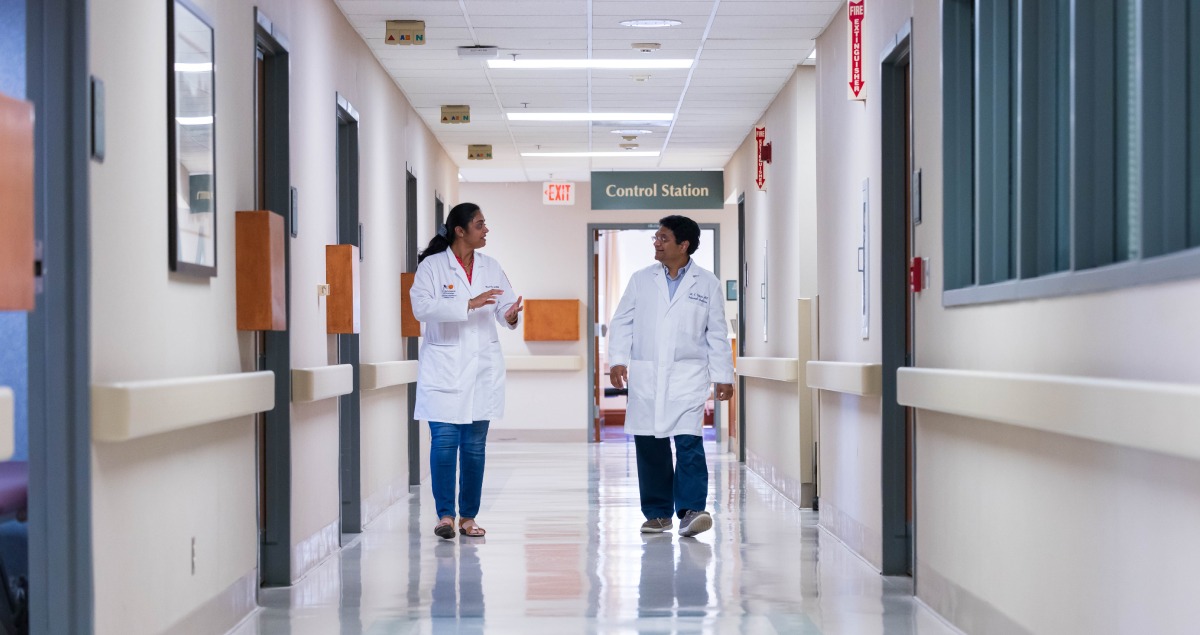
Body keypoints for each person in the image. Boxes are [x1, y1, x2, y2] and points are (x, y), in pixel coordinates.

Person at [608, 215, 734, 537]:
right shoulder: (640, 279)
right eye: (655, 237)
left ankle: (692, 511)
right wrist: (618, 360)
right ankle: (658, 513)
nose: (656, 242)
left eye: (663, 238)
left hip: (687, 377)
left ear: (684, 244)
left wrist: (724, 375)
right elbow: (622, 321)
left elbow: (716, 333)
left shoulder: (707, 283)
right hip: (648, 375)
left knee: (689, 442)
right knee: (650, 444)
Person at [410, 202, 523, 540]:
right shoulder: (432, 266)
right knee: (444, 442)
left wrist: (512, 315)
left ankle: (468, 517)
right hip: (443, 369)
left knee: (474, 447)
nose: (486, 230)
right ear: (460, 231)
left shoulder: (491, 266)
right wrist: (469, 303)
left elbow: (504, 307)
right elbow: (421, 308)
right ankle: (445, 515)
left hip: (481, 369)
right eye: (479, 224)